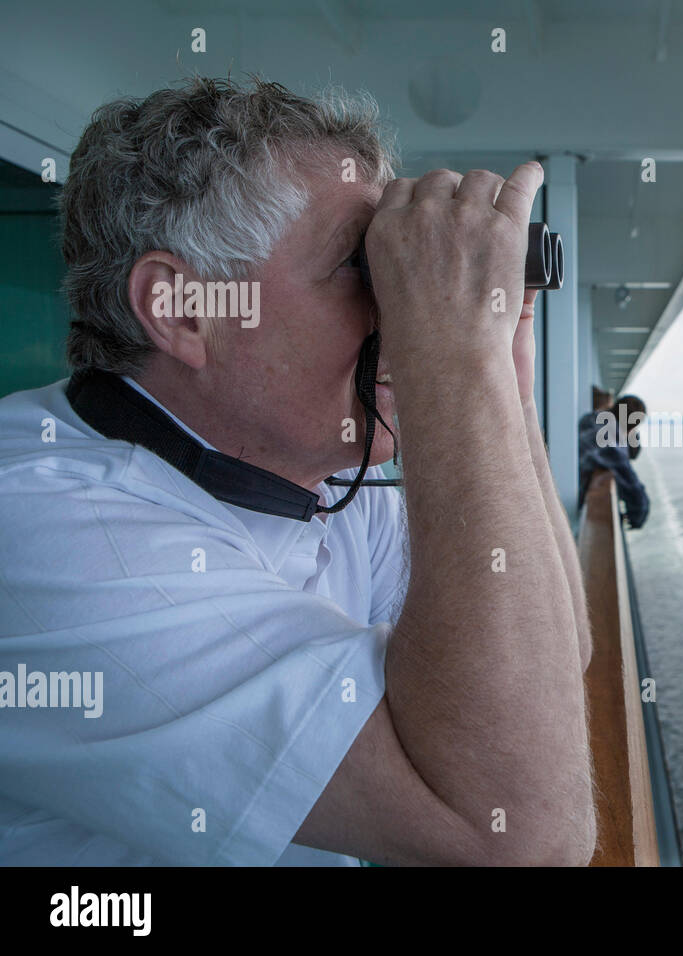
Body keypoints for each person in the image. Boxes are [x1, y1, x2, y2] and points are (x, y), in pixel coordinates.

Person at [0, 77, 596, 866]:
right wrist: (454, 360)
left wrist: (498, 375)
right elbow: (517, 835)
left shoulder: (316, 474)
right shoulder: (47, 531)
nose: (407, 305)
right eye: (366, 266)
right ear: (183, 309)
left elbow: (554, 655)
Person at [578, 393, 650, 529]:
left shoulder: (591, 419)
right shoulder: (611, 444)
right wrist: (636, 520)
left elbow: (633, 453)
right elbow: (638, 500)